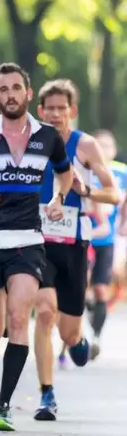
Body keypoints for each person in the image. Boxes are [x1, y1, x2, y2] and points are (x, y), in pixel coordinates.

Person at [0, 63, 73, 431]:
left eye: (17, 88)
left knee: (19, 320)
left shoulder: (48, 136)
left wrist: (59, 196)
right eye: (3, 89)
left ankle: (3, 405)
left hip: (27, 239)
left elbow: (64, 170)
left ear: (28, 93)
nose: (10, 95)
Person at [33, 81, 119, 419]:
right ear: (40, 111)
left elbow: (114, 194)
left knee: (68, 331)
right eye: (49, 108)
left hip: (73, 244)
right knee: (43, 312)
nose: (55, 113)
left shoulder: (86, 146)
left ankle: (78, 341)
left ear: (73, 110)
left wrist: (86, 191)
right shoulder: (31, 141)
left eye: (61, 108)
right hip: (37, 241)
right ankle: (46, 394)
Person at [86, 130, 127, 359]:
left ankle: (96, 337)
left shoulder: (122, 171)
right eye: (99, 144)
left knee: (101, 289)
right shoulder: (84, 168)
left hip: (108, 238)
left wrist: (123, 223)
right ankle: (86, 311)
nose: (103, 149)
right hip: (83, 237)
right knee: (82, 287)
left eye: (108, 145)